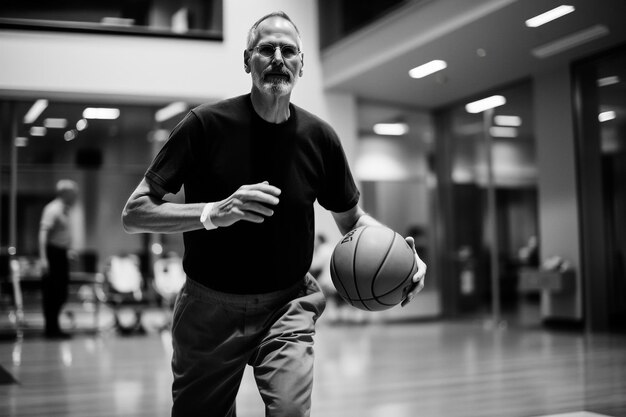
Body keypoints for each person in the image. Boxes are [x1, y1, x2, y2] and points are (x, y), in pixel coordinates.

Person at [122, 11, 426, 417]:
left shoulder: (319, 138)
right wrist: (214, 211)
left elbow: (353, 221)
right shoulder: (204, 125)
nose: (278, 58)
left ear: (301, 63)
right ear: (247, 61)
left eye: (289, 50)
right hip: (209, 308)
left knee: (290, 413)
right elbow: (135, 211)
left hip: (287, 305)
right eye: (266, 49)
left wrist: (407, 259)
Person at [39, 179, 78, 339]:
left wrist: (66, 251)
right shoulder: (52, 209)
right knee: (53, 294)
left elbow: (59, 235)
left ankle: (54, 327)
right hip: (52, 254)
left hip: (60, 253)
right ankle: (51, 329)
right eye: (73, 193)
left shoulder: (65, 210)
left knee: (61, 293)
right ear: (65, 193)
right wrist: (44, 258)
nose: (76, 196)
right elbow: (43, 234)